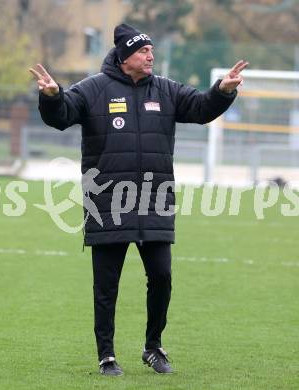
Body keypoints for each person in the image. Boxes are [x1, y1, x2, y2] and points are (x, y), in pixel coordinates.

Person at [30, 23, 248, 376]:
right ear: (124, 55)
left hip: (154, 202)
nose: (151, 55)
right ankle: (106, 355)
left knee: (161, 276)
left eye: (151, 50)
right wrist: (52, 96)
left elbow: (200, 107)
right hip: (108, 204)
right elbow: (62, 115)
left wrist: (222, 90)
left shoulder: (165, 90)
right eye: (143, 51)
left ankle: (153, 347)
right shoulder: (93, 89)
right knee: (106, 287)